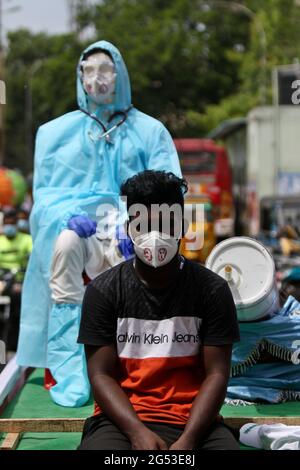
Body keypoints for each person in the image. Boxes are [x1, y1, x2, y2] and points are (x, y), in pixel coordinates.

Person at [16, 40, 181, 407]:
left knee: (137, 264)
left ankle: (133, 367)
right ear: (79, 76)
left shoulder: (151, 132)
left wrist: (137, 224)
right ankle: (67, 366)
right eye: (88, 70)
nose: (97, 79)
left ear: (119, 73)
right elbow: (43, 199)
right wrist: (65, 218)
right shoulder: (54, 133)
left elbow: (170, 191)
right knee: (65, 246)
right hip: (84, 235)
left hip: (129, 237)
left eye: (105, 69)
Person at [78, 170, 240, 450]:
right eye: (144, 225)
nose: (155, 236)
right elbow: (100, 375)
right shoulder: (103, 291)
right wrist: (136, 433)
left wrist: (188, 440)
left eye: (166, 224)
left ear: (182, 227)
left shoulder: (212, 290)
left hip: (195, 423)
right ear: (130, 227)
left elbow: (217, 374)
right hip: (120, 422)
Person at [0, 209, 32, 352]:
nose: (9, 227)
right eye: (6, 224)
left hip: (19, 281)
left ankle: (13, 344)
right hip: (2, 280)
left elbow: (31, 258)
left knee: (17, 304)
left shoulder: (26, 240)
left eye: (12, 224)